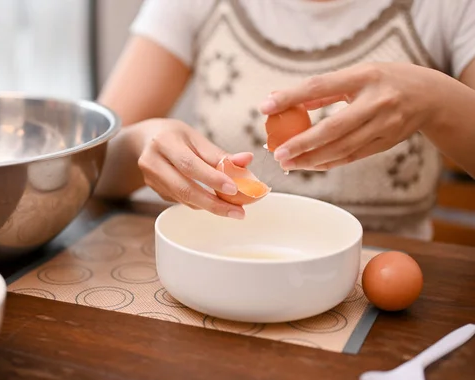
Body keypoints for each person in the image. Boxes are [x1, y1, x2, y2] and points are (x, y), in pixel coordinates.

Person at [94, 0, 475, 240]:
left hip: (378, 277)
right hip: (228, 257)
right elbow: (92, 171)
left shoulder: (445, 8)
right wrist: (143, 141)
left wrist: (436, 99)